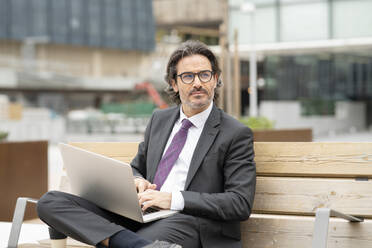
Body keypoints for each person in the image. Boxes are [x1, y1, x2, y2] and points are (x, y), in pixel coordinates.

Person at [37, 40, 256, 248]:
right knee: (51, 202)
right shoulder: (160, 120)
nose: (197, 83)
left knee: (140, 236)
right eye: (188, 76)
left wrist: (172, 200)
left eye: (204, 75)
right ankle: (136, 245)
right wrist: (137, 180)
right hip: (141, 213)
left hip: (190, 220)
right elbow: (136, 168)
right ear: (174, 83)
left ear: (215, 79)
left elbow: (239, 203)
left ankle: (129, 243)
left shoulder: (235, 133)